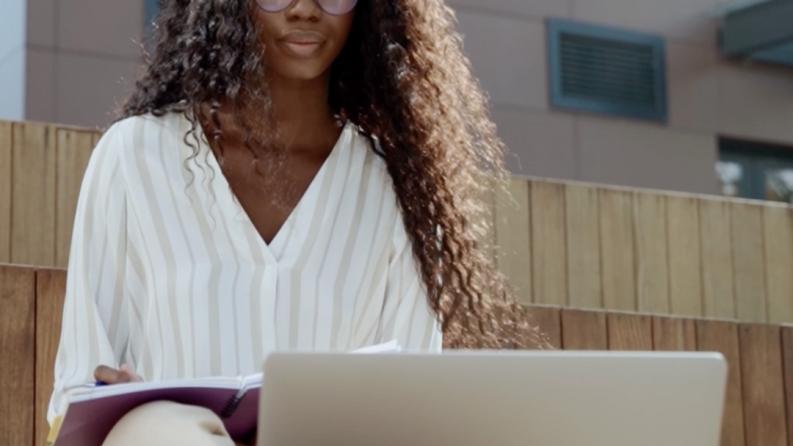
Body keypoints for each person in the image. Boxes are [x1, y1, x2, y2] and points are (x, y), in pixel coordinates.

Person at [47, 0, 547, 444]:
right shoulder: (135, 157)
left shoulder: (394, 192)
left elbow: (408, 404)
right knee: (159, 428)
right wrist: (129, 413)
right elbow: (77, 387)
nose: (305, 9)